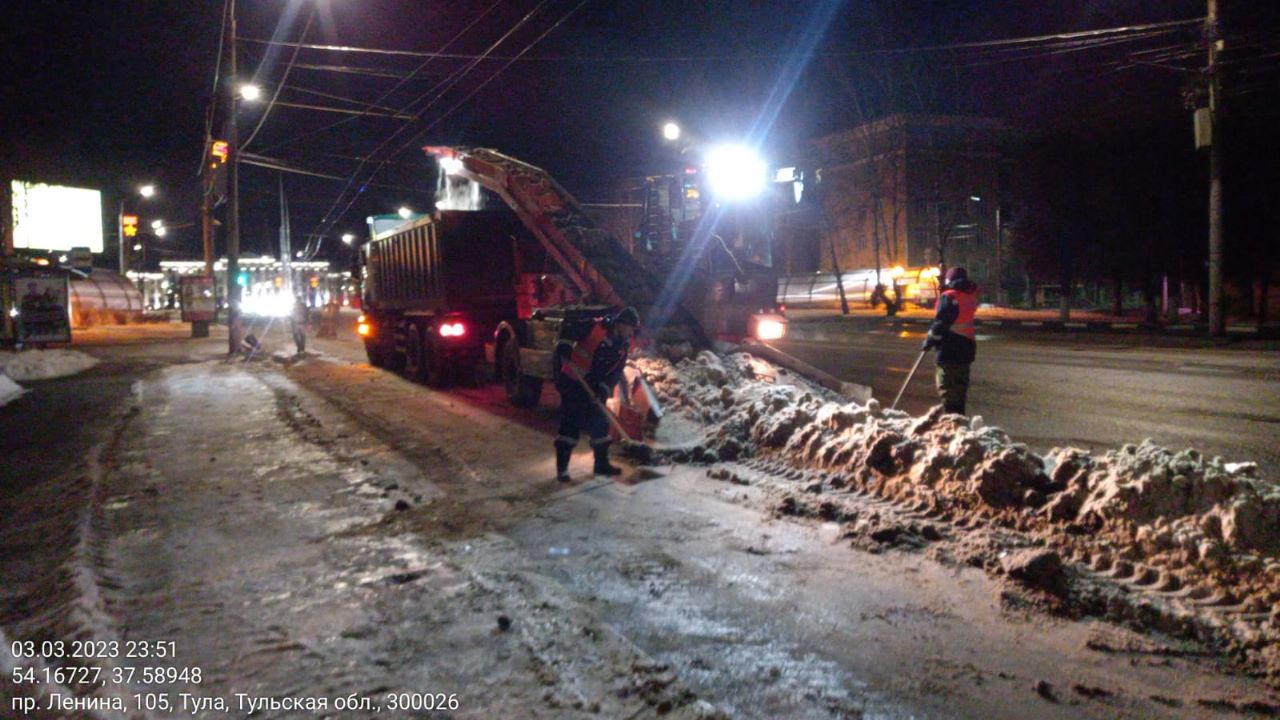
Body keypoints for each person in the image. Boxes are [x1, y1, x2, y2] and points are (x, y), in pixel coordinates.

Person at [553, 306, 640, 481]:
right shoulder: (595, 326)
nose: (631, 333)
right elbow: (568, 328)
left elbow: (615, 373)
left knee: (600, 426)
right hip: (573, 382)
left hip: (593, 388)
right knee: (570, 426)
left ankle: (601, 465)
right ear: (621, 324)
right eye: (630, 328)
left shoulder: (622, 346)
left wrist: (603, 389)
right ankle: (562, 470)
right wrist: (564, 346)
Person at [922, 266, 980, 415]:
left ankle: (952, 425)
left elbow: (941, 323)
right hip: (967, 347)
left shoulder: (949, 296)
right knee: (960, 390)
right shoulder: (969, 296)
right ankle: (960, 421)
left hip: (950, 349)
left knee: (948, 389)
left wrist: (929, 340)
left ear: (949, 280)